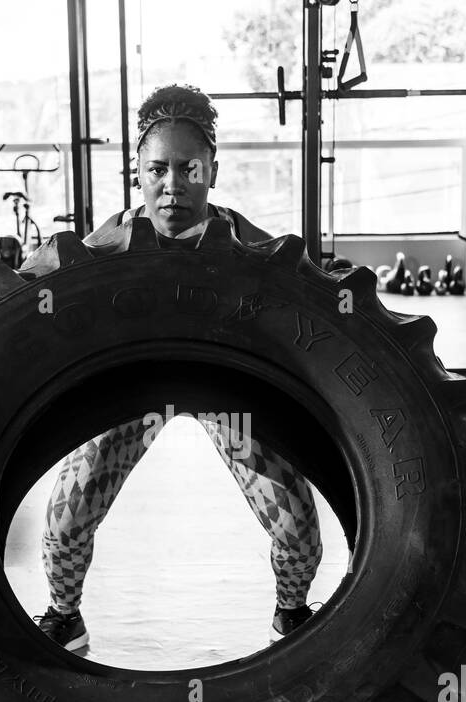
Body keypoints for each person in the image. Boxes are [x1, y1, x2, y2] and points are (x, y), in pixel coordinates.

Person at [34, 83, 323, 657]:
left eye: (189, 169)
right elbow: (27, 302)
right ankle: (65, 616)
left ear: (212, 171)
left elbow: (316, 317)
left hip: (225, 392)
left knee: (296, 523)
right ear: (137, 173)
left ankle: (291, 611)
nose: (173, 185)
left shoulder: (247, 243)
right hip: (131, 392)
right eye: (157, 169)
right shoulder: (108, 243)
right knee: (67, 517)